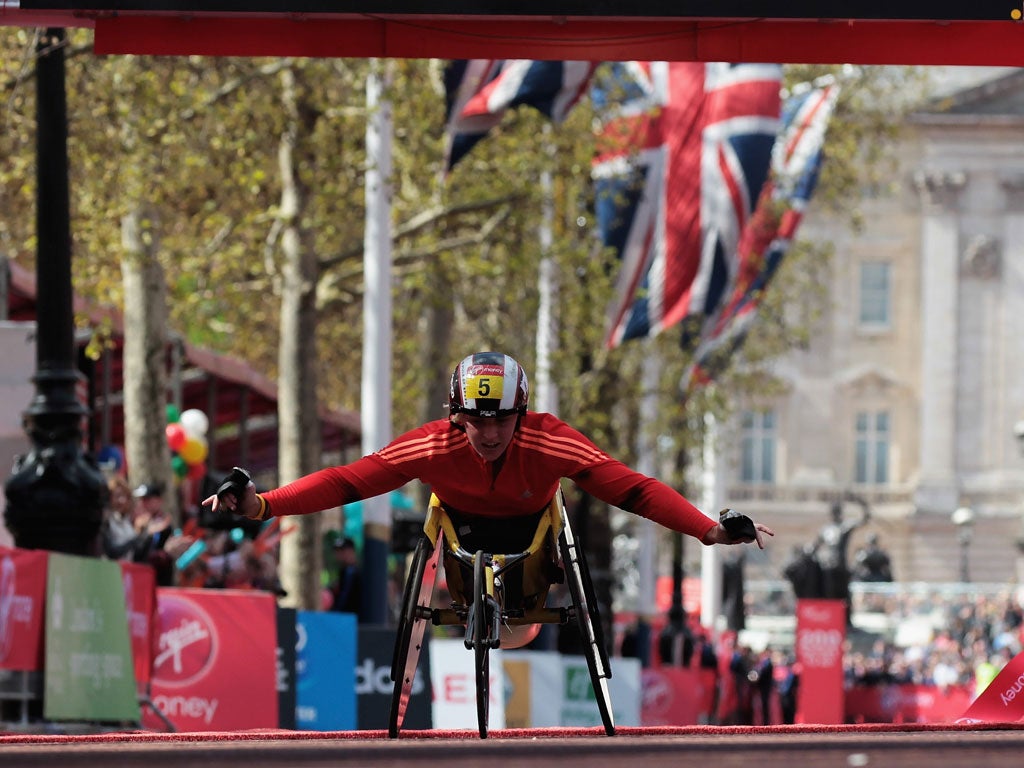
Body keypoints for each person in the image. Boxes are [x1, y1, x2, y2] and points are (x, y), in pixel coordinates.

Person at [204, 351, 774, 647]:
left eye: (501, 418)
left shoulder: (551, 439)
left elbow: (632, 488)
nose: (490, 432)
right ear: (457, 416)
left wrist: (710, 530)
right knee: (427, 514)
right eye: (476, 420)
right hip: (459, 538)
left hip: (536, 541)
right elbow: (351, 480)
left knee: (558, 521)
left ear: (519, 413)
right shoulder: (431, 444)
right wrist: (262, 505)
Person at [326, 536, 362, 616]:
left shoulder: (353, 572)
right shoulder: (344, 571)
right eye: (337, 551)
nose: (339, 554)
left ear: (351, 551)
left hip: (352, 620)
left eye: (343, 550)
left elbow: (344, 600)